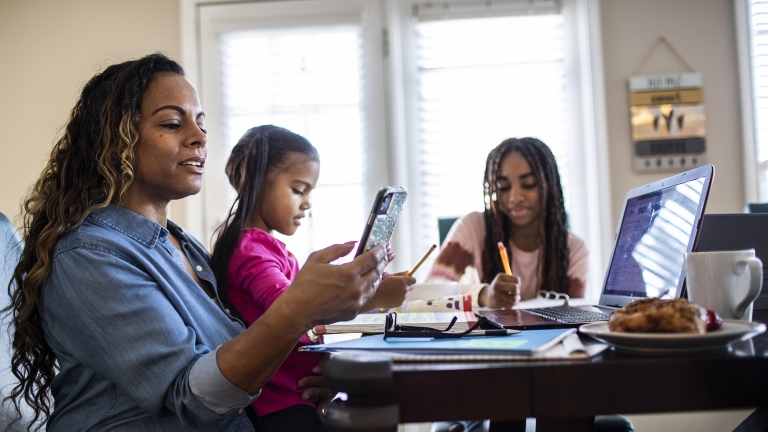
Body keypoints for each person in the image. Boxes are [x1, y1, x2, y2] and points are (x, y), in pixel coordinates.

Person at [4, 53, 391, 431]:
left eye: (201, 124)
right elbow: (195, 401)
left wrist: (307, 381)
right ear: (117, 139)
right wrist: (297, 310)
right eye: (173, 123)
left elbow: (235, 359)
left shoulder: (185, 247)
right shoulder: (89, 256)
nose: (199, 137)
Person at [210, 125, 415, 431]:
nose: (306, 202)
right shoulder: (249, 249)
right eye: (298, 189)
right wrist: (372, 296)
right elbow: (292, 308)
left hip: (296, 395)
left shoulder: (271, 250)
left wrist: (367, 289)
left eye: (309, 192)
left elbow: (310, 316)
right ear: (260, 182)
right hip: (277, 404)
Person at [427, 137, 588, 309]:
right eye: (503, 186)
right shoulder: (474, 228)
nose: (515, 197)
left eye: (528, 185)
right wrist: (483, 295)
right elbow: (428, 292)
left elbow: (573, 315)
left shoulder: (574, 249)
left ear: (549, 185)